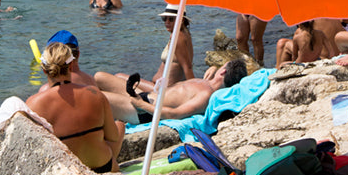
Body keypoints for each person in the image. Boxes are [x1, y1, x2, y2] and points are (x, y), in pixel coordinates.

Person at [27, 42, 122, 173]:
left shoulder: (34, 103)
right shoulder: (95, 93)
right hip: (103, 166)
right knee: (120, 125)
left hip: (69, 172)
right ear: (71, 65)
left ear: (44, 70)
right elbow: (113, 137)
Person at [96, 59, 247, 124]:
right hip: (147, 97)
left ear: (223, 72)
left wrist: (141, 105)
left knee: (96, 98)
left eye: (221, 66)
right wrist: (213, 68)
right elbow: (213, 71)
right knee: (99, 77)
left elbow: (174, 114)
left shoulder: (205, 95)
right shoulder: (206, 82)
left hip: (144, 111)